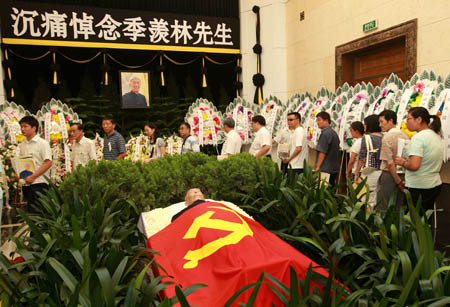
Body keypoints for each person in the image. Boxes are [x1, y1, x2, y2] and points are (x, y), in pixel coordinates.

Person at [394, 107, 443, 218]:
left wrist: (402, 162)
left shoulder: (418, 138)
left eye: (408, 119)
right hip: (434, 184)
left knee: (413, 222)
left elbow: (414, 165)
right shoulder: (435, 135)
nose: (406, 123)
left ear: (419, 119)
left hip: (419, 187)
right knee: (425, 221)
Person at [16, 116, 52, 212]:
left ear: (34, 128)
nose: (22, 129)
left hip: (39, 183)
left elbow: (48, 162)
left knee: (40, 213)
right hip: (26, 184)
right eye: (21, 127)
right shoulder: (22, 145)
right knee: (31, 214)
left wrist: (34, 176)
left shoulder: (42, 143)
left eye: (25, 126)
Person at [376, 110, 409, 211]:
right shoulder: (405, 136)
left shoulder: (387, 138)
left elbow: (389, 163)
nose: (380, 125)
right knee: (398, 207)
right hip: (403, 175)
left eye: (382, 122)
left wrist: (397, 181)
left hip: (390, 176)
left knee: (383, 207)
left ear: (390, 121)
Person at [355, 115, 383, 209]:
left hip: (369, 172)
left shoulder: (367, 138)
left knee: (366, 199)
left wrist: (356, 174)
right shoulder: (384, 137)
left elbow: (362, 158)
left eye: (365, 124)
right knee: (376, 199)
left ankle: (368, 221)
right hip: (381, 171)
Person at [314, 111, 340, 186]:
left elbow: (322, 151)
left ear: (326, 121)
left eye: (319, 120)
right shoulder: (333, 133)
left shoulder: (325, 134)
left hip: (325, 169)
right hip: (333, 169)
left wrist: (318, 167)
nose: (317, 122)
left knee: (323, 192)